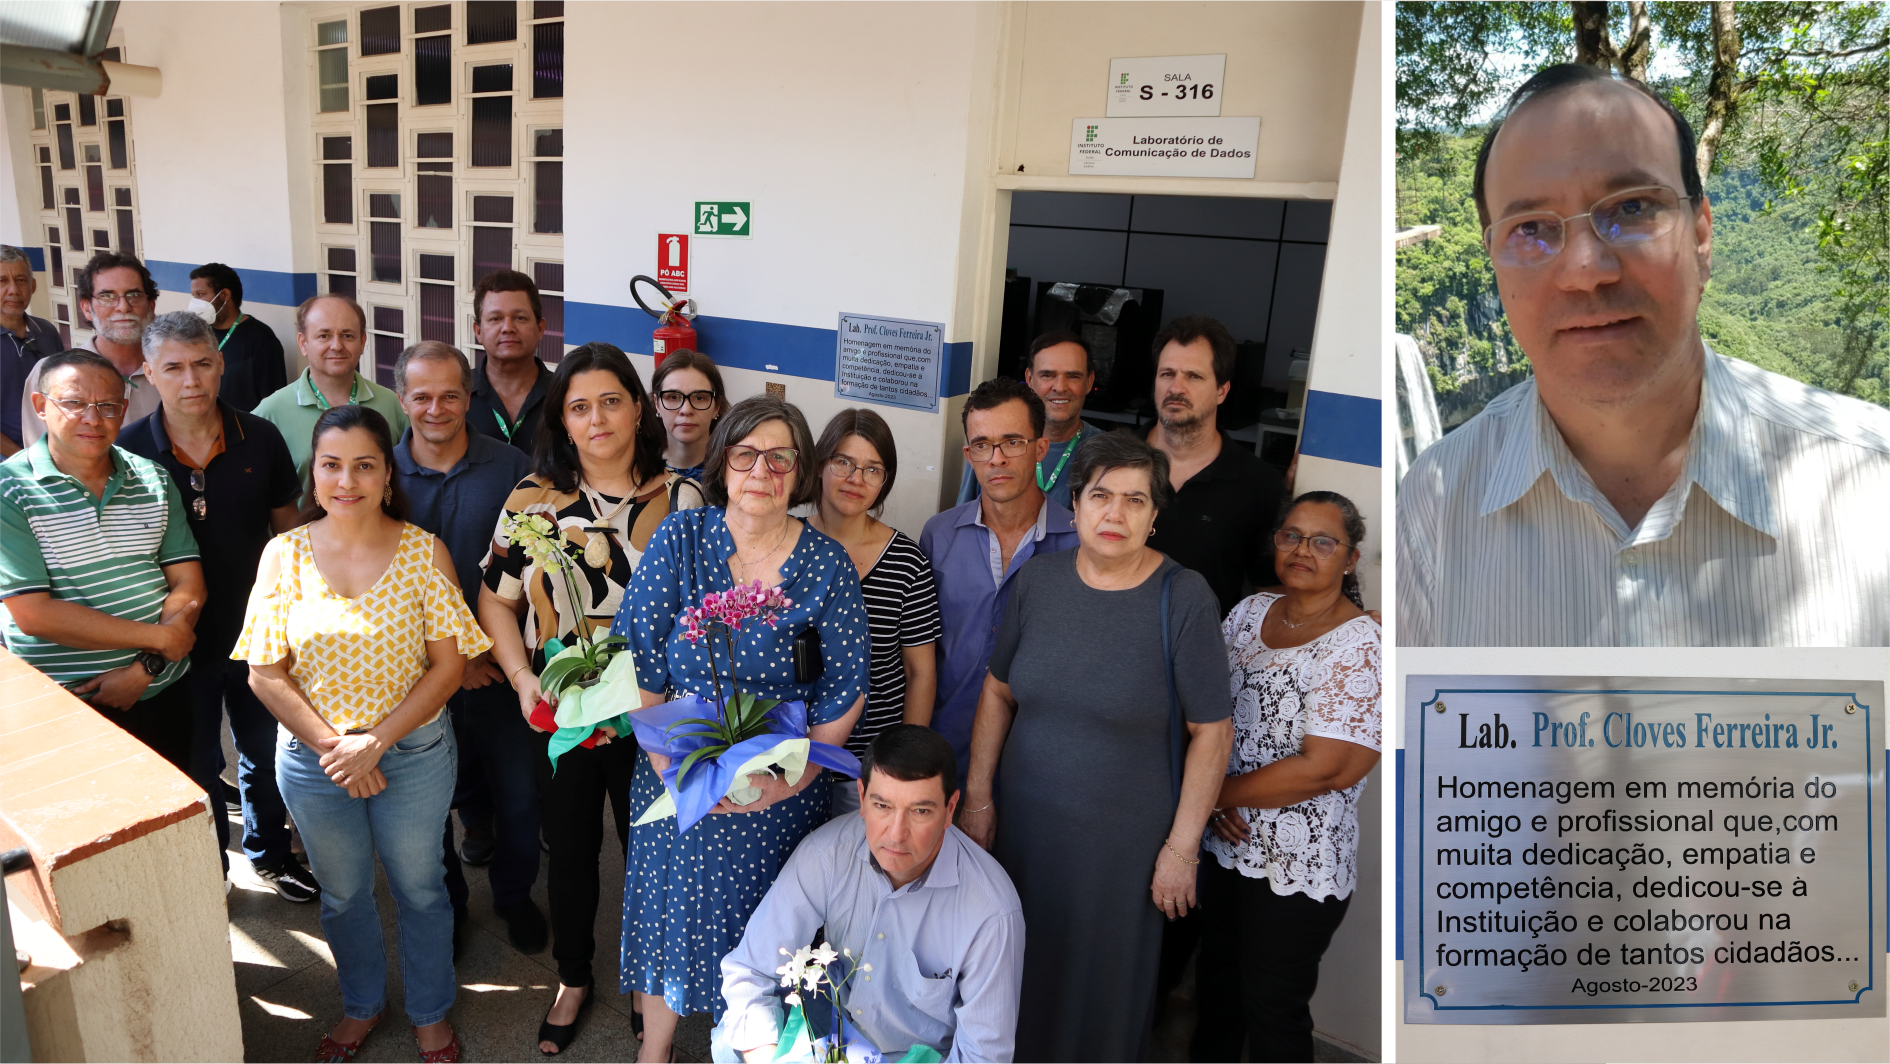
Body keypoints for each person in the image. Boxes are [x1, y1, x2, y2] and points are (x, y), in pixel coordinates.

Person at [1402, 65, 1890, 646]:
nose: (1585, 271)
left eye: (1632, 208)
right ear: (1493, 261)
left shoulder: (1871, 483)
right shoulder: (1434, 502)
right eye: (1531, 227)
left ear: (1701, 234)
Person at [961, 431, 1233, 1064]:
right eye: (1101, 496)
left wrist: (1182, 849)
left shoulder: (1183, 597)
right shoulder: (1039, 581)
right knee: (1011, 973)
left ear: (1155, 515)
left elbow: (1212, 733)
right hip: (1026, 833)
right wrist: (978, 798)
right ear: (1075, 504)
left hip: (1123, 849)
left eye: (1135, 501)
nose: (1115, 514)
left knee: (1102, 993)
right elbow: (997, 694)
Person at [614, 394, 869, 1064]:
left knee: (785, 939)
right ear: (723, 462)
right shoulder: (681, 538)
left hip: (784, 789)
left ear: (800, 470)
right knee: (675, 921)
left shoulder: (827, 566)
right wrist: (682, 772)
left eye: (780, 456)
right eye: (746, 453)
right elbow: (637, 658)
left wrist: (794, 780)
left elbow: (845, 689)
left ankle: (779, 1052)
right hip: (676, 772)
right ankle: (656, 1051)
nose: (762, 469)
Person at [234, 404, 489, 1064]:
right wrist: (337, 747)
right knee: (344, 895)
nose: (346, 480)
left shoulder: (421, 551)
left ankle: (430, 1012)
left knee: (421, 888)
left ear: (386, 475)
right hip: (316, 761)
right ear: (313, 473)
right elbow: (265, 674)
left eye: (364, 466)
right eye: (331, 465)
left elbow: (449, 666)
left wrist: (373, 743)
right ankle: (361, 1005)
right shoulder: (283, 555)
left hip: (412, 753)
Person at [478, 342, 695, 1055]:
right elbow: (497, 602)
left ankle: (644, 979)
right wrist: (519, 678)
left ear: (639, 406)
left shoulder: (686, 499)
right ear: (561, 420)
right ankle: (573, 976)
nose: (596, 418)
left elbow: (705, 612)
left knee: (650, 854)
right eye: (578, 406)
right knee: (568, 850)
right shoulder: (532, 499)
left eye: (610, 400)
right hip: (564, 716)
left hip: (653, 716)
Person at [117, 312, 313, 900]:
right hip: (177, 644)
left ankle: (271, 855)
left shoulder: (261, 436)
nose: (191, 380)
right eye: (173, 368)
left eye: (203, 363)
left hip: (258, 634)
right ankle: (210, 875)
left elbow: (289, 535)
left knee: (263, 754)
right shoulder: (128, 453)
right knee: (196, 762)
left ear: (221, 363)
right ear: (148, 372)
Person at [1192, 491, 1381, 1064]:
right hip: (1225, 843)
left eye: (1324, 541)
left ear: (1349, 559)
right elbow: (1205, 709)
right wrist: (1212, 802)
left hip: (1297, 864)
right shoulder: (1248, 614)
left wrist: (1212, 795)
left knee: (1273, 1011)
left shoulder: (1359, 644)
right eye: (1291, 535)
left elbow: (1328, 766)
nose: (1304, 550)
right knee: (1217, 993)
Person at [711, 726, 1023, 1064]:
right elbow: (751, 969)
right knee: (731, 1043)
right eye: (883, 805)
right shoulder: (828, 853)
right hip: (830, 1033)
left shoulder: (992, 912)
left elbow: (983, 1057)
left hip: (915, 1057)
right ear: (861, 798)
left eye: (920, 811)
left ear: (950, 810)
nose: (896, 834)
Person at [389, 341, 540, 956]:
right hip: (412, 677)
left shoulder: (512, 469)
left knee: (522, 797)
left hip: (501, 674)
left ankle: (513, 896)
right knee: (427, 812)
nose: (436, 408)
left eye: (450, 394)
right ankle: (448, 905)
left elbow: (533, 575)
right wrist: (446, 661)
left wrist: (485, 657)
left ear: (469, 396)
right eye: (421, 396)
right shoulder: (381, 473)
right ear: (401, 400)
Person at [1, 348, 204, 773]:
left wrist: (146, 666)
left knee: (184, 815)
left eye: (108, 405)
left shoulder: (151, 476)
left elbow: (188, 583)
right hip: (69, 702)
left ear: (123, 409)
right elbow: (34, 615)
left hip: (163, 687)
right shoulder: (10, 490)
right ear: (41, 406)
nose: (93, 418)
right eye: (74, 403)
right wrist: (159, 639)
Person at [919, 378, 1077, 793]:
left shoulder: (1079, 544)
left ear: (1040, 448)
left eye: (1012, 442)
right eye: (983, 445)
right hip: (944, 748)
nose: (997, 459)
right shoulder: (939, 535)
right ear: (969, 454)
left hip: (1037, 763)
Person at [806, 408, 941, 817]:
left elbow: (920, 672)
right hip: (788, 754)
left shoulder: (907, 562)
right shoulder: (787, 544)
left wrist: (904, 765)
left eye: (872, 469)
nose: (856, 479)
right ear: (820, 464)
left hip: (868, 769)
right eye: (843, 462)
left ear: (885, 482)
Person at [1143, 315, 1286, 618]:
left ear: (1222, 391)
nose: (1175, 387)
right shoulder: (1110, 460)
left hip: (1199, 656)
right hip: (1102, 646)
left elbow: (1273, 594)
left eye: (1193, 376)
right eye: (1167, 374)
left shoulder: (1259, 485)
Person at [252, 293, 408, 483]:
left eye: (347, 335)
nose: (337, 346)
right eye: (324, 335)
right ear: (303, 343)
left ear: (362, 342)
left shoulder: (391, 404)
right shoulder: (270, 413)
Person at [19, 251, 163, 448]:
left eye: (134, 295)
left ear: (151, 305)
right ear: (87, 308)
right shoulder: (53, 373)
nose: (123, 307)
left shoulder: (173, 371)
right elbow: (42, 459)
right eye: (107, 296)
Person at [956, 331, 1101, 511]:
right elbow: (962, 522)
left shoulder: (1106, 452)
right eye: (1047, 375)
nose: (1060, 387)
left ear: (1089, 382)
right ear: (1030, 379)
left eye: (1073, 376)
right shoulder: (993, 446)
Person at [467, 269, 553, 453]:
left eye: (519, 318)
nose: (507, 328)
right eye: (495, 318)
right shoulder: (457, 396)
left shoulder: (565, 396)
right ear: (478, 331)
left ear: (540, 328)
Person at [189, 262, 287, 412]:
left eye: (200, 294)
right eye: (193, 296)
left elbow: (273, 403)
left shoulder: (262, 339)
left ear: (224, 295)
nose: (195, 303)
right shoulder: (198, 334)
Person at [0, 245, 62, 456]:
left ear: (33, 285)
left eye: (21, 280)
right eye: (2, 281)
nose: (14, 290)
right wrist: (24, 459)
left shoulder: (46, 330)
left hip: (54, 453)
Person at [651, 348, 728, 481]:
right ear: (657, 404)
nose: (686, 410)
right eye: (673, 397)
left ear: (716, 407)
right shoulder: (638, 469)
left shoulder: (732, 473)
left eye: (699, 398)